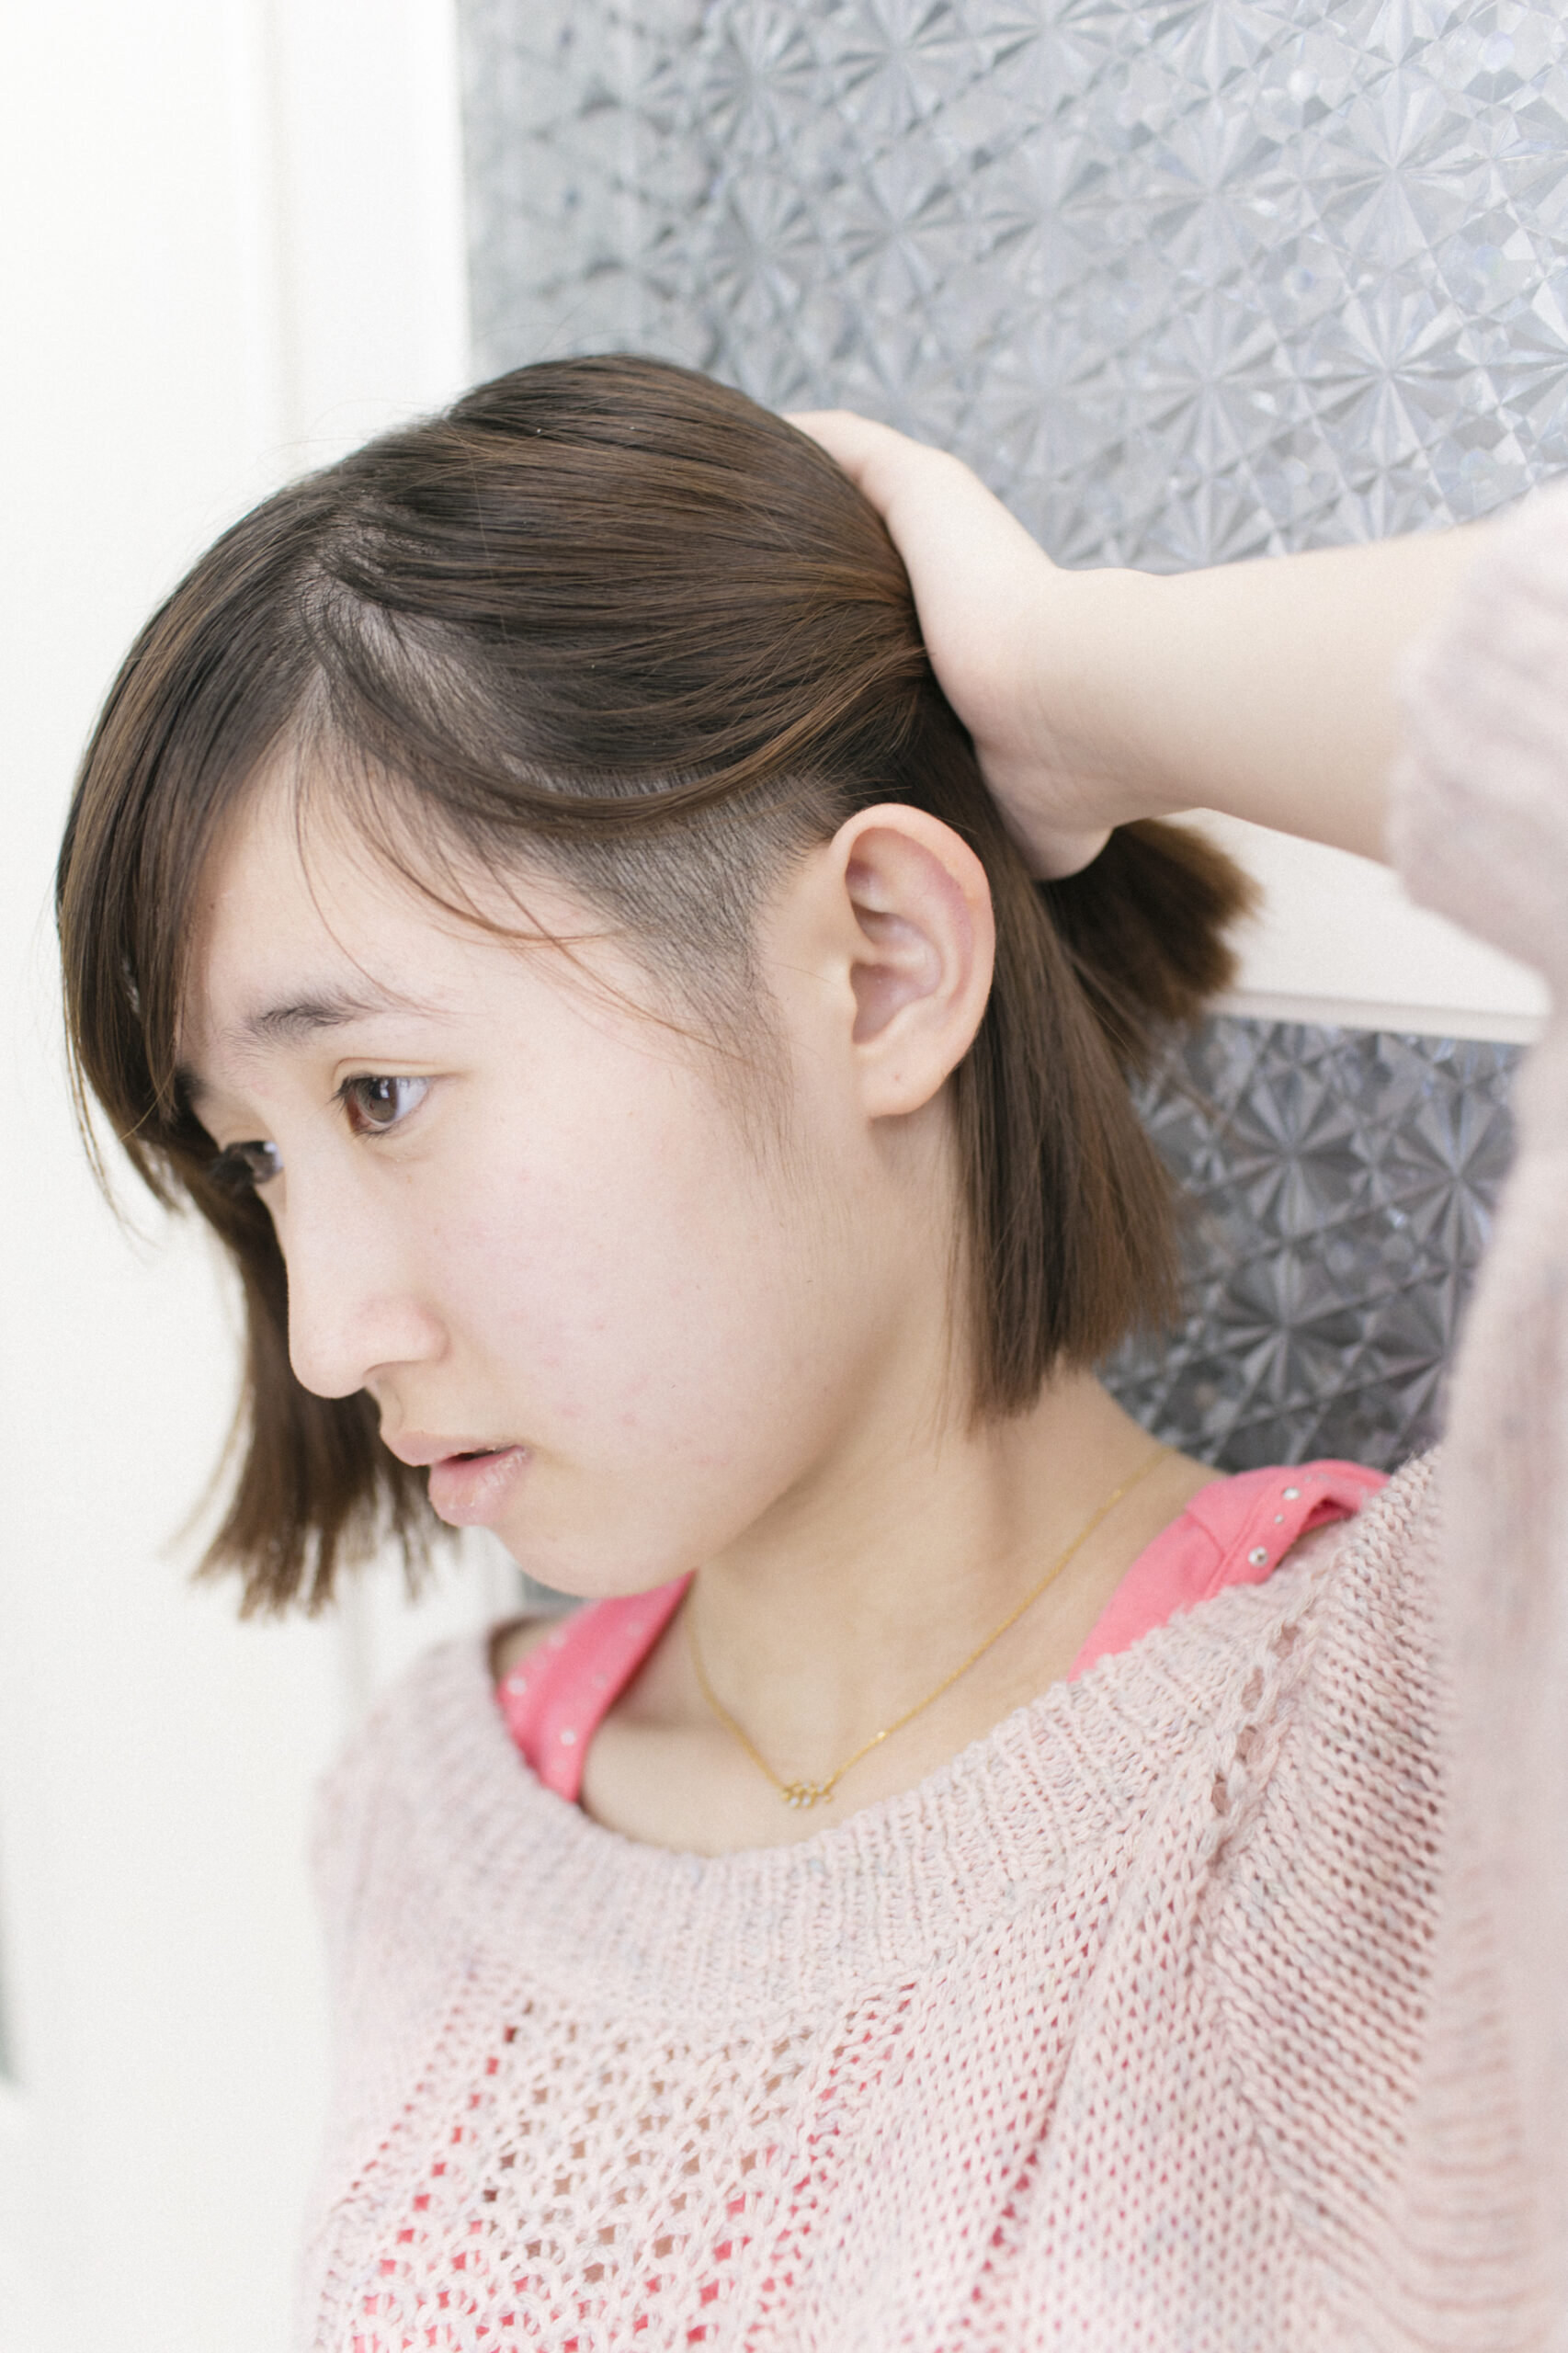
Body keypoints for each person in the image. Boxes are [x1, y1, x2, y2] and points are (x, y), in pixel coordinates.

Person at [55, 356, 1566, 2348]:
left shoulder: (1418, 1755)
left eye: (383, 1094)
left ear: (879, 968)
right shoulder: (428, 1825)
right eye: (257, 1158)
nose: (327, 1334)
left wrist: (1066, 679)